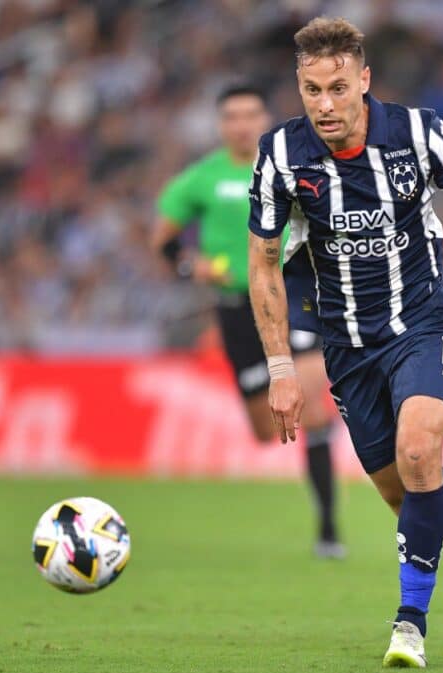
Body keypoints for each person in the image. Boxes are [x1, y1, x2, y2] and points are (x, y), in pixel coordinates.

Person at [246, 18, 443, 667]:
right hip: (348, 348)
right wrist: (281, 368)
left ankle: (410, 624)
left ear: (364, 82)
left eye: (337, 88)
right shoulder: (281, 156)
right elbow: (263, 264)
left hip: (426, 322)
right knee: (407, 495)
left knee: (417, 451)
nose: (324, 104)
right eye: (311, 89)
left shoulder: (419, 133)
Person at [152, 84, 345, 559]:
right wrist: (187, 264)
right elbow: (164, 238)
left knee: (311, 409)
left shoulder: (296, 163)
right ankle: (327, 417)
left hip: (293, 296)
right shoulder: (201, 178)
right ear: (221, 126)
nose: (242, 124)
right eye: (232, 116)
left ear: (266, 118)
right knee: (267, 430)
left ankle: (328, 529)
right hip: (238, 310)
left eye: (250, 113)